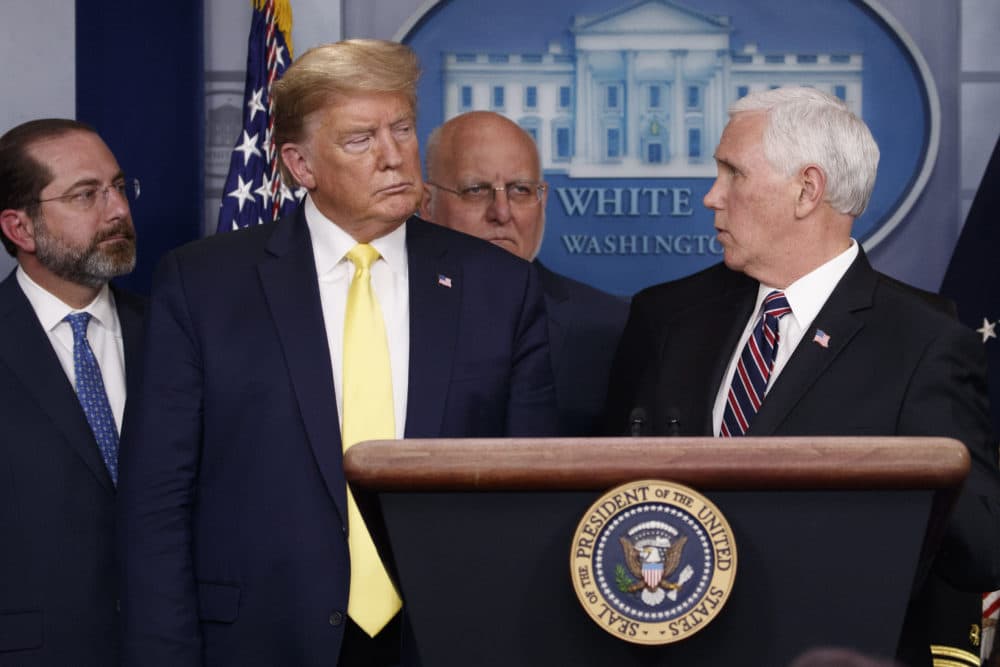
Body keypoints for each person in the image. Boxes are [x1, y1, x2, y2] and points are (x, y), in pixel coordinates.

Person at [118, 40, 557, 667]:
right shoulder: (204, 286)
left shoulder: (500, 286)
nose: (393, 156)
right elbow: (157, 506)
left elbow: (530, 497)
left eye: (401, 129)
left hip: (448, 639)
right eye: (360, 140)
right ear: (301, 164)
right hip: (260, 641)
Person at [604, 87, 1000, 664]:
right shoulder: (666, 317)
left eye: (733, 173)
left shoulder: (923, 343)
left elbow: (981, 546)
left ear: (807, 190)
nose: (712, 196)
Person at [0, 118, 143, 666]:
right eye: (87, 195)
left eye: (119, 187)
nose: (118, 211)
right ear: (21, 228)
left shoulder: (178, 333)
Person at [421, 110, 628, 436]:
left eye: (520, 190)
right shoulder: (391, 315)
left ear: (542, 201)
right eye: (476, 190)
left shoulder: (611, 328)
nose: (501, 213)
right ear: (426, 204)